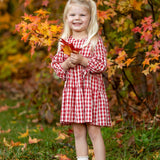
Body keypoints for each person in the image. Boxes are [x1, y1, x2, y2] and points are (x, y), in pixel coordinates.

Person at [51, 0, 111, 159]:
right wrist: (66, 63)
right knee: (78, 131)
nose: (77, 18)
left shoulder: (94, 40)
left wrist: (83, 60)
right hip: (74, 93)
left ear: (90, 18)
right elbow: (56, 67)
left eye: (82, 15)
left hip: (91, 93)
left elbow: (102, 65)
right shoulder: (65, 42)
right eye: (72, 15)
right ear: (66, 18)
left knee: (94, 130)